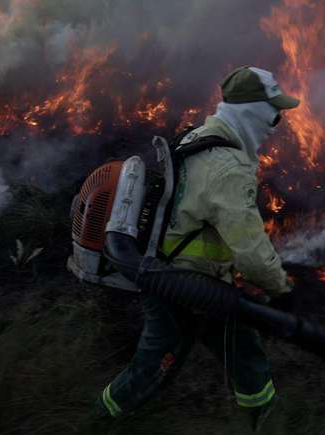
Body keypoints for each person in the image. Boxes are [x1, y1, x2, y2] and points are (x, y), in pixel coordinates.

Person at [96, 66, 300, 431]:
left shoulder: (199, 136)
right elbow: (251, 250)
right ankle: (101, 417)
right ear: (253, 112)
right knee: (154, 365)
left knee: (244, 353)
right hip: (180, 287)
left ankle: (264, 419)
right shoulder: (229, 169)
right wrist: (277, 286)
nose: (277, 122)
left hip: (202, 283)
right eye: (274, 112)